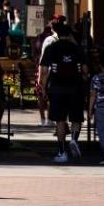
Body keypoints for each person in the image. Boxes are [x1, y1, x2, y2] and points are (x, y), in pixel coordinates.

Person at [40, 21, 88, 164]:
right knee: (76, 118)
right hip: (76, 88)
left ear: (57, 34)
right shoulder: (77, 49)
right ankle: (73, 139)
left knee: (60, 121)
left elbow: (44, 71)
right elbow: (85, 70)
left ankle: (62, 152)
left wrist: (43, 88)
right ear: (70, 34)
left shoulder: (51, 48)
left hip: (57, 89)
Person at [88, 59, 104, 165]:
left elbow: (92, 95)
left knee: (103, 132)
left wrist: (90, 110)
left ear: (101, 66)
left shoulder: (96, 78)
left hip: (101, 107)